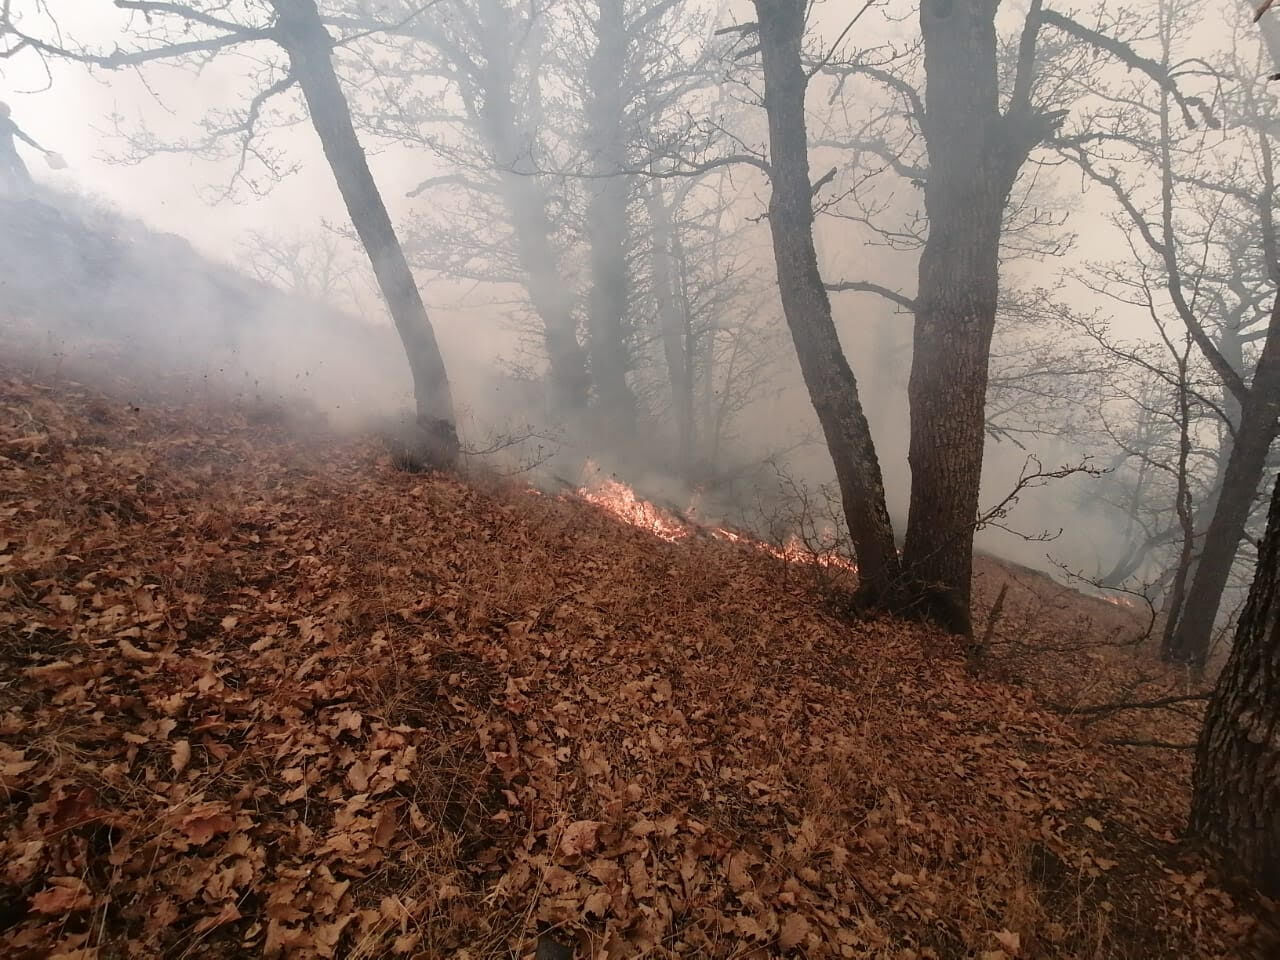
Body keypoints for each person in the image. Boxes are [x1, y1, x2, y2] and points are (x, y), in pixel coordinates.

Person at [0, 101, 49, 193]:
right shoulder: (8, 123)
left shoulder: (9, 123)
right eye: (7, 112)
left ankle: (25, 193)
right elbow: (23, 137)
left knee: (16, 173)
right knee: (14, 174)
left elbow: (23, 137)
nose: (9, 115)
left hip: (10, 154)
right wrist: (42, 149)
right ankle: (20, 194)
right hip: (7, 155)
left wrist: (43, 149)